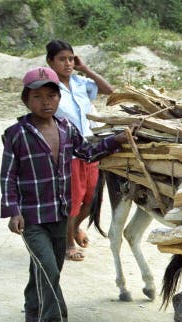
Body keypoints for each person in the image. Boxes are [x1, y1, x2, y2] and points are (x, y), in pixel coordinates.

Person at [0, 66, 135, 322]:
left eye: (51, 96)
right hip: (31, 216)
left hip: (61, 214)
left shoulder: (66, 129)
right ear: (26, 100)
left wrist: (115, 142)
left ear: (59, 99)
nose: (45, 102)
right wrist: (13, 210)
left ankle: (32, 308)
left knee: (48, 266)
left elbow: (87, 153)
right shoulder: (17, 134)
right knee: (49, 268)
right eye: (38, 97)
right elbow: (8, 176)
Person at [46, 39, 115, 261]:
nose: (67, 64)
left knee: (91, 198)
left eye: (70, 59)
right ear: (50, 62)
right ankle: (67, 245)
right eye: (61, 59)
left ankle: (75, 228)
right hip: (67, 151)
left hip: (90, 148)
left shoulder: (79, 82)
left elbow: (110, 92)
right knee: (72, 200)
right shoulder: (48, 88)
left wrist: (84, 68)